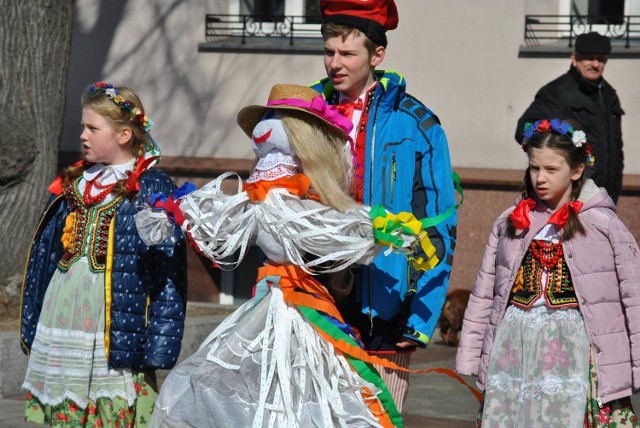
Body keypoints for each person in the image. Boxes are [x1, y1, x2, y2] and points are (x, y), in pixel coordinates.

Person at [138, 84, 432, 427]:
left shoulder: (298, 198)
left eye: (277, 119)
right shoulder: (259, 196)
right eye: (268, 116)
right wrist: (177, 212)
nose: (265, 127)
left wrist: (378, 228)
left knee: (302, 390)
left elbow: (328, 225)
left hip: (299, 307)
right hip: (268, 301)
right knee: (226, 384)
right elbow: (224, 216)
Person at [310, 0, 458, 411]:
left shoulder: (416, 123)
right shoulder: (305, 115)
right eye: (328, 51)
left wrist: (421, 315)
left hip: (390, 302)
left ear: (377, 55)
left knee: (377, 416)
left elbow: (439, 225)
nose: (334, 63)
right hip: (315, 295)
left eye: (347, 53)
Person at [19, 81, 188, 426]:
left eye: (92, 128)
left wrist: (159, 343)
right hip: (64, 303)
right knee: (66, 390)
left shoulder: (150, 188)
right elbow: (45, 256)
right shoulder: (76, 182)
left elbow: (168, 272)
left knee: (111, 399)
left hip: (114, 314)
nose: (83, 135)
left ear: (125, 135)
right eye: (83, 126)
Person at [456, 118, 640, 427]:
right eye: (534, 168)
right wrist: (472, 352)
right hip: (515, 346)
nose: (541, 178)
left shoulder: (603, 225)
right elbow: (487, 291)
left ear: (577, 170)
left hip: (576, 346)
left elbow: (633, 295)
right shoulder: (511, 223)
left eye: (552, 170)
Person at [515, 32, 625, 203]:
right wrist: (555, 156)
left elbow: (616, 147)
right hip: (571, 194)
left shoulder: (609, 95)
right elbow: (525, 129)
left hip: (606, 193)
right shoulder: (557, 92)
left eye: (601, 59)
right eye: (589, 58)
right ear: (575, 58)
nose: (595, 64)